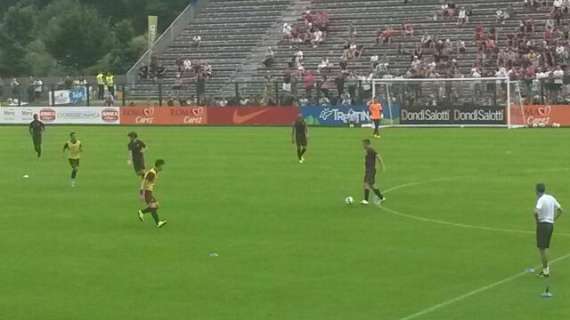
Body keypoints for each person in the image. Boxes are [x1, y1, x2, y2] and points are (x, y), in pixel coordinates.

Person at [534, 183, 563, 278]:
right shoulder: (551, 198)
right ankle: (545, 269)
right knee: (545, 247)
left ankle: (546, 271)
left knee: (542, 249)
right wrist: (553, 219)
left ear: (537, 191)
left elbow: (535, 212)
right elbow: (560, 210)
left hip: (543, 225)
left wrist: (537, 221)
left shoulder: (541, 199)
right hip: (550, 225)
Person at [138, 159, 168, 228]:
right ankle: (158, 223)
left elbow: (144, 178)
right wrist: (142, 194)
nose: (162, 168)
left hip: (149, 192)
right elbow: (145, 183)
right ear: (159, 165)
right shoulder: (152, 173)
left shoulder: (154, 171)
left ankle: (142, 212)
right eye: (162, 166)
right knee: (153, 206)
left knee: (156, 205)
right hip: (147, 192)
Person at [361, 139, 385, 205]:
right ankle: (381, 197)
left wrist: (382, 165)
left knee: (366, 184)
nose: (362, 145)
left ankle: (366, 200)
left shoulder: (371, 149)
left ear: (366, 144)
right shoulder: (367, 150)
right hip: (369, 170)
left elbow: (378, 156)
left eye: (363, 144)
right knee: (371, 185)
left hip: (370, 170)